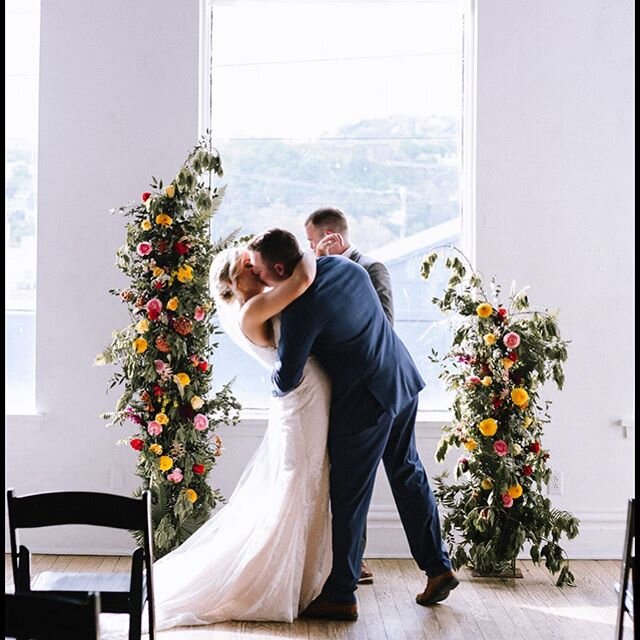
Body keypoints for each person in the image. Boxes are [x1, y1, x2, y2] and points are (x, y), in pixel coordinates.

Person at [102, 241, 336, 637]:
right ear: (236, 277)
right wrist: (313, 250)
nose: (259, 274)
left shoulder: (259, 302)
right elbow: (303, 277)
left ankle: (301, 572)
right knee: (299, 480)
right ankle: (277, 578)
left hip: (305, 398)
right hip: (303, 400)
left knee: (305, 479)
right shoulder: (252, 310)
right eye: (251, 270)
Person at [248, 228, 458, 622]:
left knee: (349, 497)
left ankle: (342, 593)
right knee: (407, 472)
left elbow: (287, 378)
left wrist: (267, 359)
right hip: (401, 377)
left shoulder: (299, 308)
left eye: (259, 273)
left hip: (366, 402)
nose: (258, 281)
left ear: (279, 268)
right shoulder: (343, 267)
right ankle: (437, 566)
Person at [305, 206, 394, 586]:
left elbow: (384, 325)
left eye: (312, 241)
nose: (310, 250)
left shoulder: (371, 269)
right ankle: (344, 559)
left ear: (332, 236)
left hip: (370, 387)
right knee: (343, 478)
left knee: (357, 480)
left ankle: (353, 563)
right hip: (336, 387)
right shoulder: (319, 273)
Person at [305, 207, 394, 325]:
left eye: (312, 241)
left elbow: (386, 323)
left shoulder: (372, 268)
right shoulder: (315, 270)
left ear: (329, 236)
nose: (311, 247)